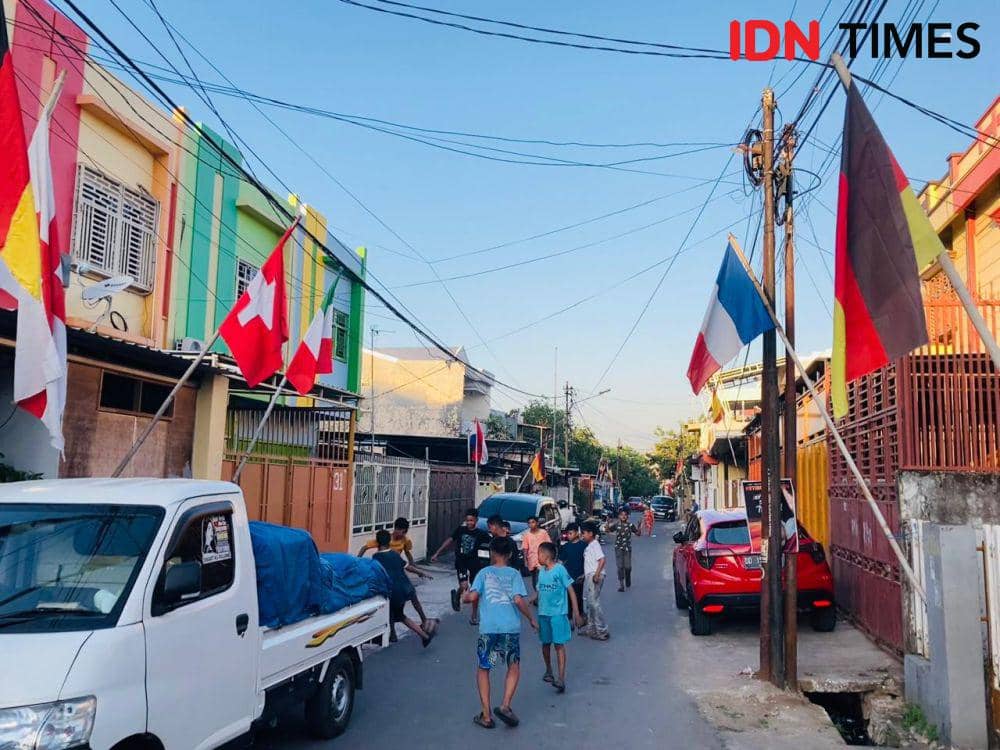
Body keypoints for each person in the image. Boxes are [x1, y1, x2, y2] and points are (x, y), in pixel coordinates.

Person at [463, 536, 537, 730]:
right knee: (513, 665)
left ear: (492, 553)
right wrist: (531, 619)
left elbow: (472, 597)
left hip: (489, 629)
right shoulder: (514, 574)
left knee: (484, 668)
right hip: (510, 629)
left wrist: (464, 596)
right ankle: (505, 705)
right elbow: (519, 600)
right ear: (511, 554)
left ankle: (486, 715)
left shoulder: (483, 573)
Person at [357, 517, 431, 631]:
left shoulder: (405, 541)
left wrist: (413, 565)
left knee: (413, 597)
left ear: (405, 531)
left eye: (401, 530)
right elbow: (364, 547)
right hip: (387, 573)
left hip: (398, 569)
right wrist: (358, 560)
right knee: (391, 604)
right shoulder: (385, 539)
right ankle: (392, 632)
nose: (398, 532)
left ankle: (424, 620)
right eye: (397, 529)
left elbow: (407, 553)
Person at [372, 530, 437, 647]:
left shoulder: (376, 557)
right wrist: (421, 572)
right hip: (405, 587)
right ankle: (397, 635)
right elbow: (408, 567)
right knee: (399, 614)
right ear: (389, 541)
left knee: (394, 614)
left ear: (377, 542)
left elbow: (375, 574)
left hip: (392, 591)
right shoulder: (395, 554)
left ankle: (421, 635)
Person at [535, 542, 582, 693]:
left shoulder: (560, 570)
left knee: (559, 645)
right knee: (545, 644)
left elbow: (571, 590)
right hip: (543, 614)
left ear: (546, 555)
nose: (538, 557)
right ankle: (549, 670)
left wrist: (576, 613)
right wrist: (530, 599)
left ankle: (561, 678)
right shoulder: (541, 571)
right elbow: (539, 591)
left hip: (558, 614)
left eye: (539, 554)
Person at [431, 509, 490, 616]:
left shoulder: (481, 534)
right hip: (461, 561)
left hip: (474, 563)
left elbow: (492, 544)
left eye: (471, 520)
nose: (469, 523)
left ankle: (474, 614)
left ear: (476, 520)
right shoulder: (460, 530)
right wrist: (437, 553)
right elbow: (449, 540)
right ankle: (457, 595)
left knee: (475, 588)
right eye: (467, 520)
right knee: (464, 586)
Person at [579, 522, 608, 640]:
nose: (582, 536)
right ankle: (591, 629)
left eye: (584, 533)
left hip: (595, 576)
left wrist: (596, 574)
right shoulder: (589, 546)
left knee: (594, 603)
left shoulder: (595, 544)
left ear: (591, 534)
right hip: (590, 576)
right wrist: (584, 575)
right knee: (590, 603)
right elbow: (591, 563)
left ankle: (602, 630)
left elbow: (602, 560)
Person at [558, 523, 586, 627]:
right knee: (568, 599)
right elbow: (560, 561)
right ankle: (569, 620)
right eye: (567, 534)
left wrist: (584, 574)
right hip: (567, 577)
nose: (568, 536)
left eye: (570, 533)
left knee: (578, 598)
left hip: (579, 577)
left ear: (576, 533)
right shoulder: (565, 547)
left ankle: (580, 619)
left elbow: (587, 561)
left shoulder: (583, 546)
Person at [605, 508, 640, 592]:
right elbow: (608, 530)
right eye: (621, 515)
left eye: (625, 515)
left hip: (627, 548)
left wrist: (639, 526)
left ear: (627, 516)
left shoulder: (630, 525)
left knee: (628, 567)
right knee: (620, 567)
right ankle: (621, 585)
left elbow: (638, 534)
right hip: (618, 548)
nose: (623, 516)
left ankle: (628, 578)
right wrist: (608, 523)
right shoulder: (616, 525)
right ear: (619, 516)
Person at [521, 515, 548, 594]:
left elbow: (549, 545)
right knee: (534, 582)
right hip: (532, 561)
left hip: (542, 561)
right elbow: (525, 548)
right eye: (529, 523)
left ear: (537, 523)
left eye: (533, 522)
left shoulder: (543, 533)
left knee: (539, 579)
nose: (531, 524)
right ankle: (538, 596)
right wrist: (525, 561)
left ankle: (540, 598)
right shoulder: (527, 535)